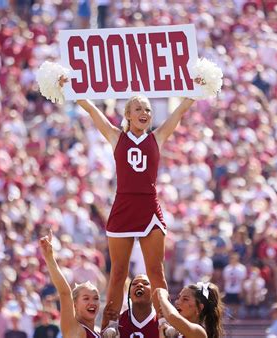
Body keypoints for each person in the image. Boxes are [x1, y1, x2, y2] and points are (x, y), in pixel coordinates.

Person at [60, 76, 198, 328]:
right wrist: (68, 87)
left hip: (149, 207)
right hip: (123, 207)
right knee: (118, 274)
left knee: (156, 272)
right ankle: (109, 325)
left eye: (147, 109)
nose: (144, 112)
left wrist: (196, 89)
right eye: (138, 109)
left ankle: (164, 322)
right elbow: (91, 109)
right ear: (128, 115)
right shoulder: (116, 137)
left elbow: (179, 112)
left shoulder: (157, 137)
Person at [39, 230, 101, 338]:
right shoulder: (75, 330)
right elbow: (64, 293)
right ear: (75, 305)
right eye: (86, 298)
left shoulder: (99, 332)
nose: (92, 302)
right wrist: (49, 257)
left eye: (95, 298)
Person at [155, 282, 225, 338]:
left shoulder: (199, 332)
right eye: (179, 298)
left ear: (200, 308)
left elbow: (172, 316)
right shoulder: (177, 333)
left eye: (185, 299)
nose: (177, 302)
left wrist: (162, 296)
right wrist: (163, 326)